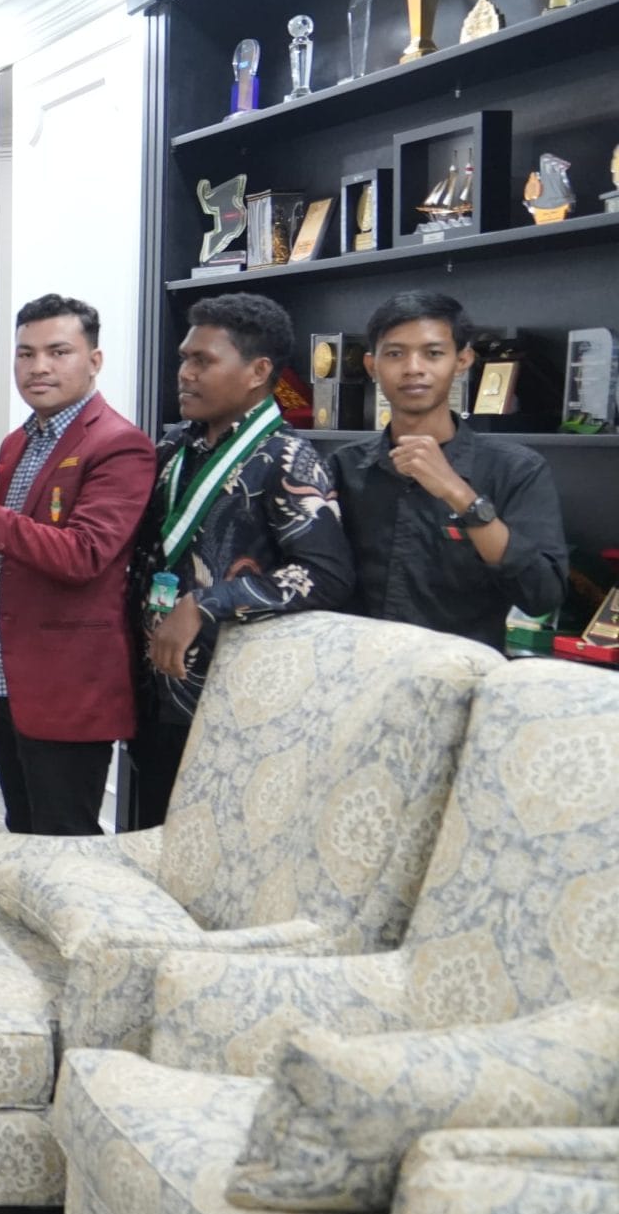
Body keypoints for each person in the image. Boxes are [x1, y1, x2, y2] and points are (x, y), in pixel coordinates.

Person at [0, 295, 155, 839]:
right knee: (24, 832)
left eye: (58, 352)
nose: (38, 367)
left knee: (64, 841)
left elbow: (84, 554)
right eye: (25, 354)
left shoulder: (120, 445)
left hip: (65, 682)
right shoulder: (19, 441)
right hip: (4, 674)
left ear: (94, 361)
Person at [130, 293, 352, 825]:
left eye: (203, 360)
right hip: (154, 691)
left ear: (258, 371)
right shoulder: (174, 450)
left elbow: (327, 574)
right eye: (184, 358)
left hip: (233, 704)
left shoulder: (287, 458)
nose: (185, 373)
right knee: (153, 839)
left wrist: (207, 602)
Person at [333, 290, 564, 650]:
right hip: (358, 668)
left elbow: (542, 595)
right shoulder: (342, 468)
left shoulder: (516, 469)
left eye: (433, 353)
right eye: (394, 354)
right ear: (371, 366)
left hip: (461, 673)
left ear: (462, 361)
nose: (413, 368)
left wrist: (460, 494)